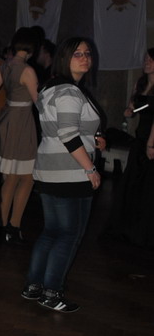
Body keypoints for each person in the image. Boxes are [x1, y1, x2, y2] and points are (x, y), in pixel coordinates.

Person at [21, 38, 105, 313]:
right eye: (77, 54)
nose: (84, 58)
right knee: (68, 235)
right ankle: (51, 293)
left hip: (49, 169)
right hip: (70, 171)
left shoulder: (50, 88)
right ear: (64, 59)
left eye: (87, 53)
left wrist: (94, 139)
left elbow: (65, 129)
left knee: (52, 232)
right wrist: (90, 167)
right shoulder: (69, 91)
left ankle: (34, 286)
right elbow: (68, 134)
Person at [0, 27, 39, 245]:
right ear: (33, 48)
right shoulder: (27, 70)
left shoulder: (6, 66)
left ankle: (4, 227)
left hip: (7, 121)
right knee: (22, 177)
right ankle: (10, 227)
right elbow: (39, 101)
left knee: (13, 177)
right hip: (22, 122)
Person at [112, 48, 154, 248]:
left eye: (150, 60)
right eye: (145, 59)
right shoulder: (141, 83)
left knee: (147, 188)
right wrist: (129, 111)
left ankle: (143, 232)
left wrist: (151, 143)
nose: (146, 62)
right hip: (141, 140)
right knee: (132, 185)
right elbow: (134, 107)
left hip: (152, 140)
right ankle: (128, 228)